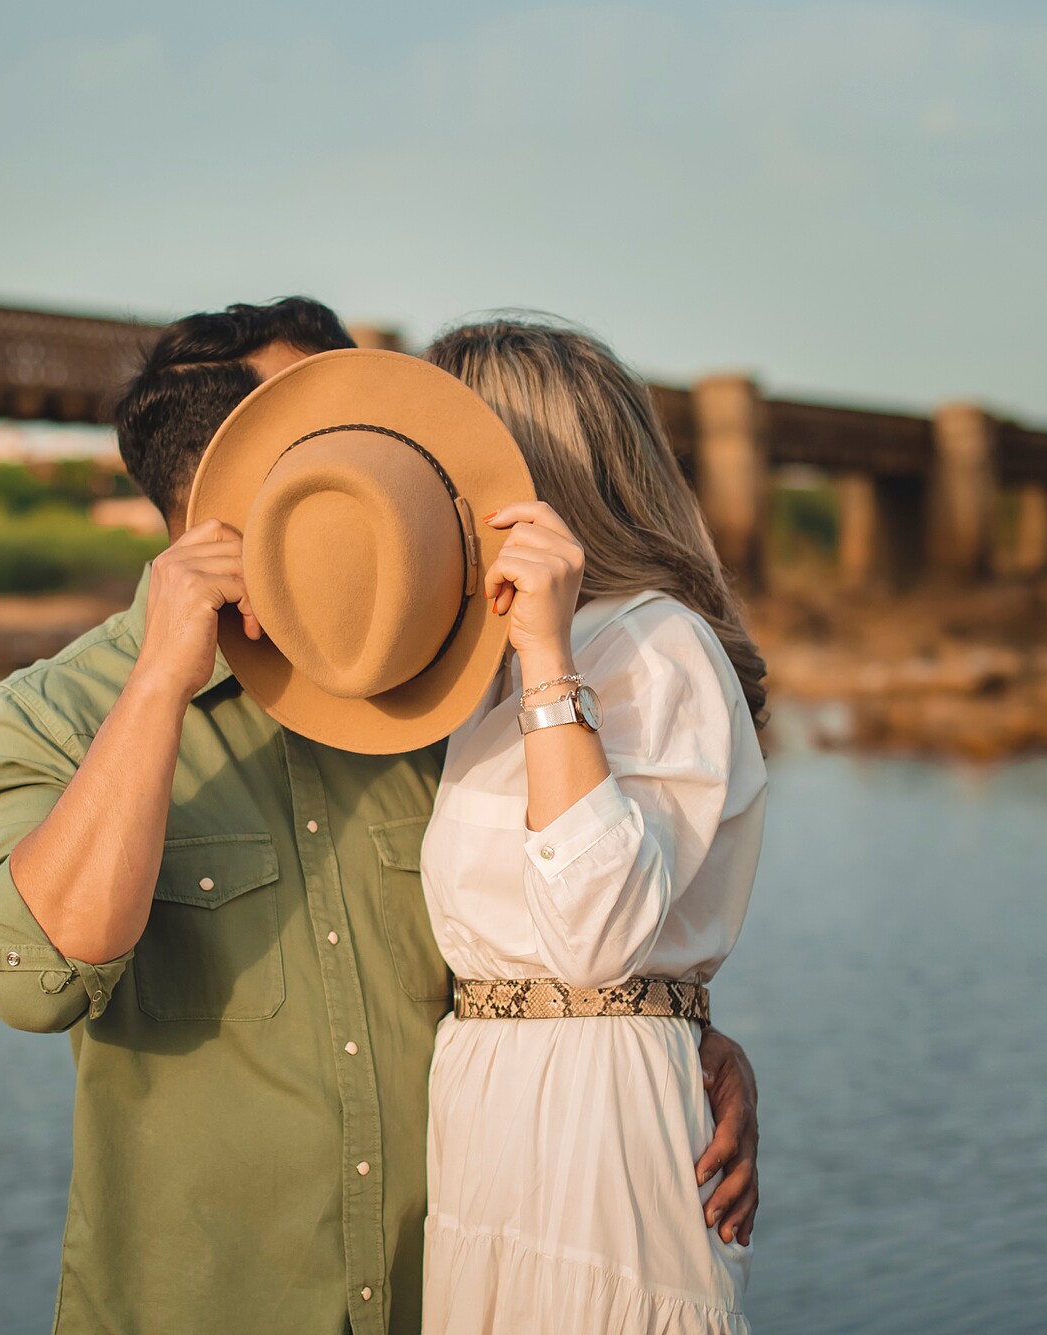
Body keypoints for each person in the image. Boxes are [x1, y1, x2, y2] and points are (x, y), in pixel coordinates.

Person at [0, 299, 759, 1335]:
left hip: (461, 1296)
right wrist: (159, 683)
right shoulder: (50, 714)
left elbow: (562, 916)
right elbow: (31, 980)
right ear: (223, 483)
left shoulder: (449, 690)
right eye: (345, 432)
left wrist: (677, 1040)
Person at [418, 320, 768, 1333]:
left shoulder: (657, 645)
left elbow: (595, 935)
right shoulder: (483, 672)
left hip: (595, 1131)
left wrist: (545, 658)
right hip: (489, 1124)